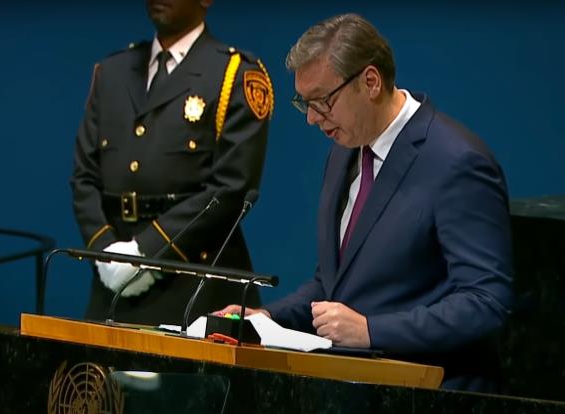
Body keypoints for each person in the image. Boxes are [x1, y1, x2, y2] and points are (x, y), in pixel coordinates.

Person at [217, 13, 512, 392]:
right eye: (304, 103)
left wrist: (372, 330)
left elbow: (486, 301)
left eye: (322, 101)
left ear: (370, 82)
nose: (311, 119)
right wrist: (265, 319)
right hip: (355, 391)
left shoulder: (456, 162)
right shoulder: (346, 150)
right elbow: (334, 284)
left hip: (430, 392)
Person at [71, 0, 273, 326]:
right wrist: (106, 253)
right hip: (112, 282)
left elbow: (233, 188)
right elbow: (84, 176)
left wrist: (148, 253)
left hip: (195, 280)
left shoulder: (234, 74)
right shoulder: (113, 70)